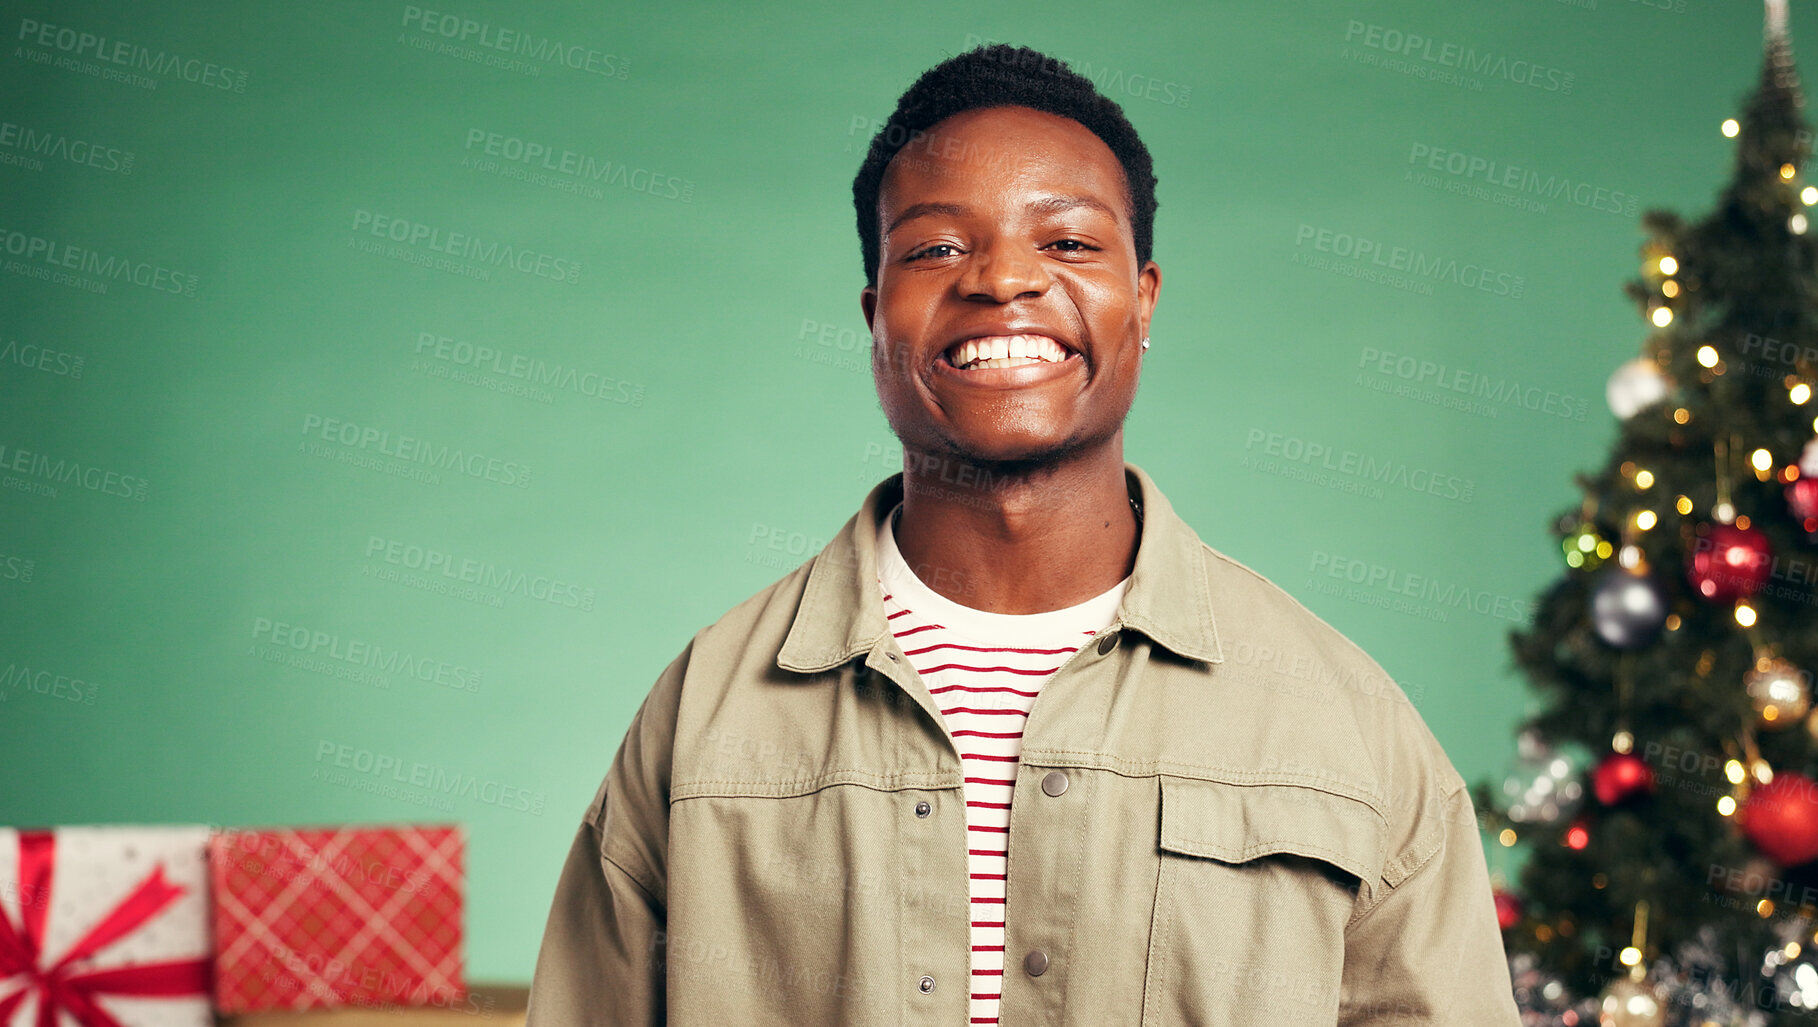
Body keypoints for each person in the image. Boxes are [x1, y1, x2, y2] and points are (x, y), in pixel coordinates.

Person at [528, 42, 1521, 1026]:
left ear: (1145, 299)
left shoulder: (1343, 723)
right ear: (878, 317)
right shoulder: (705, 714)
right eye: (936, 248)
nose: (1003, 279)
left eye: (1070, 243)